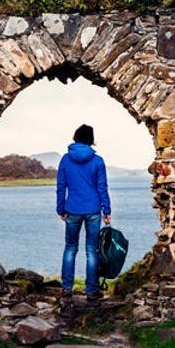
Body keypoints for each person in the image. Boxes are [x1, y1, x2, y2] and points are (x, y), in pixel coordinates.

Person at [55, 124, 111, 300]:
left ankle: (66, 289)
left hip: (72, 209)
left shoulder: (65, 159)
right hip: (93, 210)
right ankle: (92, 291)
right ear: (91, 140)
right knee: (91, 250)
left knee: (70, 248)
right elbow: (102, 188)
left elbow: (61, 187)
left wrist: (60, 208)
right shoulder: (98, 161)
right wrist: (106, 210)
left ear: (76, 137)